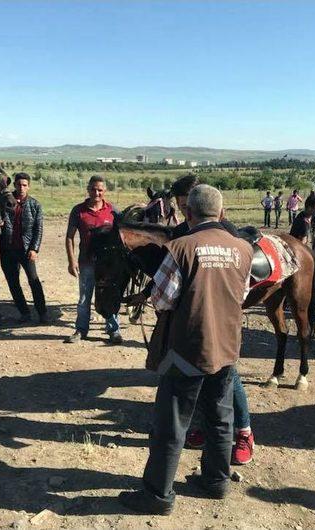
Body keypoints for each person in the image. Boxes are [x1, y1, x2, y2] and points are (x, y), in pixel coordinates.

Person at [118, 184, 253, 515]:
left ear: (188, 214)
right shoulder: (243, 249)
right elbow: (243, 293)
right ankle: (216, 482)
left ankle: (156, 495)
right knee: (221, 418)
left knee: (171, 424)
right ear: (221, 214)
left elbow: (163, 299)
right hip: (226, 347)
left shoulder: (180, 248)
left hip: (187, 349)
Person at [65, 175, 122, 344]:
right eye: (93, 189)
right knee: (84, 298)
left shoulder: (113, 211)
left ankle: (113, 330)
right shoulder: (78, 210)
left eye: (100, 190)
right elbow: (69, 237)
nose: (96, 193)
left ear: (104, 191)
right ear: (88, 189)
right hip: (87, 262)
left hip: (108, 265)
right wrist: (71, 261)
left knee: (110, 296)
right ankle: (81, 330)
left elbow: (122, 236)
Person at [0, 172, 47, 323]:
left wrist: (34, 249)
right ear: (14, 185)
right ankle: (24, 313)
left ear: (29, 186)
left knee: (34, 281)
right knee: (13, 283)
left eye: (24, 185)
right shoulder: (4, 202)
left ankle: (42, 313)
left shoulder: (35, 205)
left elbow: (38, 229)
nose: (21, 188)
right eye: (19, 184)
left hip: (26, 250)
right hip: (7, 249)